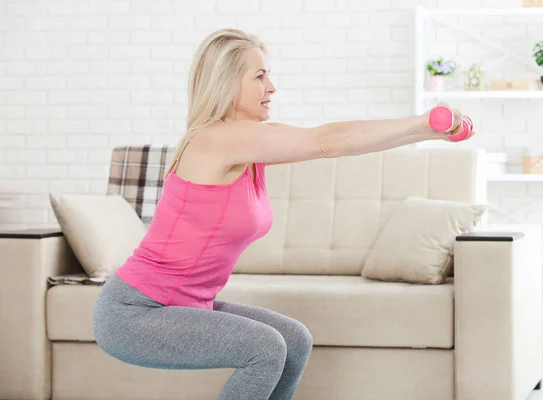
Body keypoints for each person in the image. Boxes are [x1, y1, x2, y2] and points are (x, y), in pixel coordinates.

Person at [92, 28, 475, 400]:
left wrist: (429, 132)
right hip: (136, 312)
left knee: (294, 340)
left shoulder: (247, 147)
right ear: (226, 83)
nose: (271, 88)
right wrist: (421, 122)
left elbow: (337, 144)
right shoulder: (216, 139)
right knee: (265, 347)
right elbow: (324, 142)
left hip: (180, 306)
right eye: (259, 76)